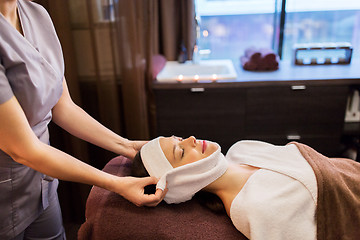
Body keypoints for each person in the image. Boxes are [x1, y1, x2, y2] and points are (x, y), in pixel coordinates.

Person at [0, 1, 166, 239]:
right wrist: (116, 184)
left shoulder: (36, 14)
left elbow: (63, 107)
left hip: (42, 183)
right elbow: (23, 150)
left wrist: (127, 146)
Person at [134, 136, 360, 240]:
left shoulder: (242, 149)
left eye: (180, 139)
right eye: (180, 152)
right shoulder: (254, 208)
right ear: (179, 180)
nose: (191, 139)